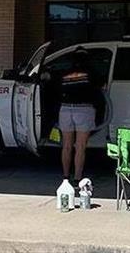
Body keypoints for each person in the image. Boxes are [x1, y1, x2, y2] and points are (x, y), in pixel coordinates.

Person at [55, 48, 104, 186]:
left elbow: (57, 90)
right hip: (84, 110)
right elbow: (101, 88)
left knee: (66, 146)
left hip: (65, 109)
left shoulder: (64, 73)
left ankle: (65, 177)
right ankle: (77, 178)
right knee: (80, 146)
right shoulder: (92, 73)